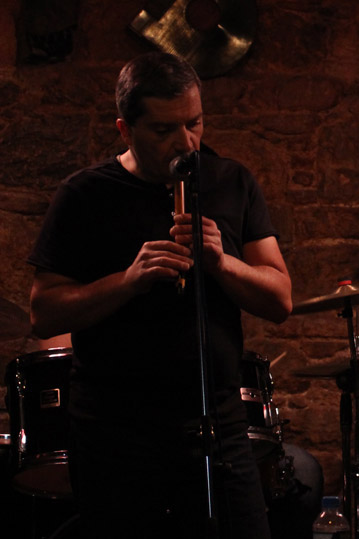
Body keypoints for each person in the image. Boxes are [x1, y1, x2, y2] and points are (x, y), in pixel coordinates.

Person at [27, 52, 293, 539]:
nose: (186, 142)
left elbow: (280, 299)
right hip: (115, 434)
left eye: (194, 123)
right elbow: (43, 312)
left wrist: (221, 263)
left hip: (217, 424)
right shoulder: (84, 195)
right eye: (164, 129)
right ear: (125, 130)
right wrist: (129, 280)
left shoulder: (232, 182)